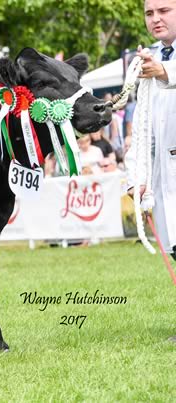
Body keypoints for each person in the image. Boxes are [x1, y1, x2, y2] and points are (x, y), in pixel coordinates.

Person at [128, 0, 176, 341]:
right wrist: (136, 175)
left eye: (164, 10)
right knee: (174, 242)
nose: (156, 19)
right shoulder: (149, 60)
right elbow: (140, 125)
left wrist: (166, 73)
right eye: (149, 13)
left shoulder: (160, 65)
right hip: (164, 169)